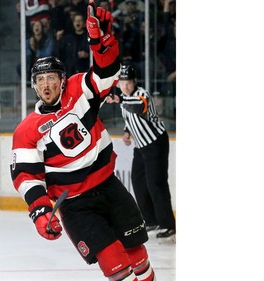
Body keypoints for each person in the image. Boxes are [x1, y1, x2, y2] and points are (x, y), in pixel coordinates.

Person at [10, 1, 156, 280]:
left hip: (109, 186)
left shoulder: (79, 89)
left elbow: (107, 75)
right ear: (34, 86)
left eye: (51, 78)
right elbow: (27, 176)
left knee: (138, 254)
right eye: (40, 80)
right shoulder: (27, 130)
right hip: (76, 205)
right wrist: (40, 211)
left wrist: (101, 44)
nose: (47, 85)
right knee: (114, 261)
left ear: (62, 80)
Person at [105, 64, 176, 241]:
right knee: (138, 182)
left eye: (128, 82)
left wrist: (119, 100)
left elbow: (137, 107)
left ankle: (168, 226)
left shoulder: (142, 95)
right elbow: (130, 118)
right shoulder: (124, 98)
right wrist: (127, 132)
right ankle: (151, 221)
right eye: (122, 83)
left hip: (155, 143)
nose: (125, 86)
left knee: (156, 184)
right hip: (140, 145)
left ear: (134, 82)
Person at [56, 12, 90, 77]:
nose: (77, 22)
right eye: (75, 21)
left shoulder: (89, 38)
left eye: (80, 20)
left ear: (84, 24)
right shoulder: (67, 38)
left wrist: (87, 55)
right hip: (69, 73)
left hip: (84, 72)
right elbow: (59, 54)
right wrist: (58, 40)